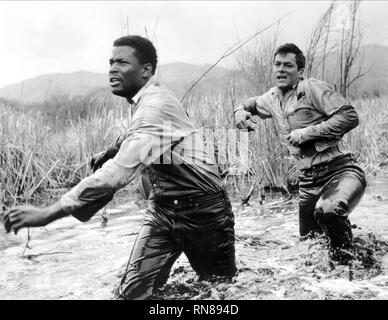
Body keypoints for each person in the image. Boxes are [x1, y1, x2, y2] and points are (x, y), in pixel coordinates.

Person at [3, 35, 236, 299]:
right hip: (161, 209)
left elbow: (117, 174)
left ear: (146, 70)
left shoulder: (155, 105)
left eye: (122, 62)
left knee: (221, 293)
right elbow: (135, 135)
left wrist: (47, 214)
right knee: (131, 295)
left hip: (205, 212)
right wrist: (110, 150)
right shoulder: (145, 101)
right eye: (111, 62)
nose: (112, 69)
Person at [234, 43, 366, 262]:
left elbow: (350, 116)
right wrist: (239, 112)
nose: (281, 70)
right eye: (277, 65)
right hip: (307, 184)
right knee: (310, 248)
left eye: (288, 65)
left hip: (341, 172)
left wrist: (307, 133)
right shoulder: (271, 98)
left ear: (301, 71)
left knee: (329, 211)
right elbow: (250, 104)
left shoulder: (313, 88)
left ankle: (351, 272)